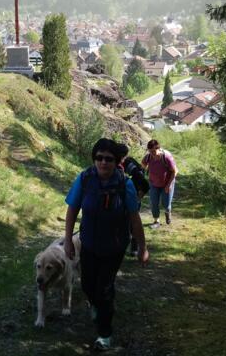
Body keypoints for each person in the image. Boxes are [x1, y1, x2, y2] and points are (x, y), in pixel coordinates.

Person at [63, 138, 150, 351]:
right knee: (87, 285)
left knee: (104, 288)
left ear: (116, 161)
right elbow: (72, 209)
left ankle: (104, 334)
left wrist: (142, 247)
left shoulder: (125, 184)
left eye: (108, 159)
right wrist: (67, 240)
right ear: (94, 160)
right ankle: (98, 307)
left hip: (115, 246)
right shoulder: (84, 179)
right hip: (89, 244)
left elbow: (134, 218)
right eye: (99, 158)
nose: (103, 162)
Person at [116, 143, 150, 257]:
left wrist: (138, 197)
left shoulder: (129, 164)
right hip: (122, 196)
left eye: (119, 156)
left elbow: (145, 184)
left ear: (123, 156)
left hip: (133, 194)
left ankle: (135, 248)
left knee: (133, 222)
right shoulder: (115, 164)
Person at [141, 139, 178, 228]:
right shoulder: (148, 157)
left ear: (159, 148)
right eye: (150, 151)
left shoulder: (167, 157)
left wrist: (168, 185)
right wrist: (145, 170)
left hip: (166, 183)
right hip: (153, 183)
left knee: (166, 203)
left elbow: (174, 171)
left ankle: (167, 212)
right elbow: (142, 164)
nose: (152, 154)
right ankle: (156, 220)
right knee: (154, 203)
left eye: (153, 151)